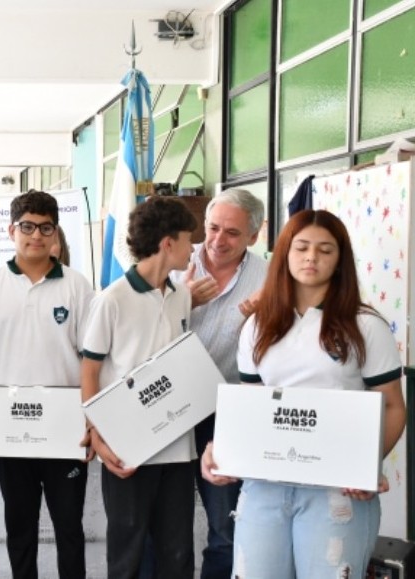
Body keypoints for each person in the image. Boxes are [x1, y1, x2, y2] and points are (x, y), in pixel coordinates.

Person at [201, 209, 406, 578]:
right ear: (283, 254)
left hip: (335, 492)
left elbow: (392, 405)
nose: (312, 257)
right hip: (264, 488)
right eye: (302, 247)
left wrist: (364, 464)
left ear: (340, 260)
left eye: (326, 250)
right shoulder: (258, 326)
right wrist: (222, 451)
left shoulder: (365, 325)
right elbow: (253, 407)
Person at [0, 190, 93, 579]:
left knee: (69, 527)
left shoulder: (78, 287)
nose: (36, 235)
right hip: (8, 429)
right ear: (11, 230)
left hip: (65, 430)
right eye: (28, 227)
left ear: (55, 233)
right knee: (19, 527)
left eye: (45, 227)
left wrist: (91, 419)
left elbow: (91, 363)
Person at [81, 196, 198, 579]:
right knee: (127, 552)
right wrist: (96, 434)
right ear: (168, 242)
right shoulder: (111, 299)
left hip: (178, 446)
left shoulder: (181, 295)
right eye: (188, 239)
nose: (192, 248)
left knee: (178, 553)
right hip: (126, 448)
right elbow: (90, 371)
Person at [168, 188, 268, 579]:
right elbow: (132, 335)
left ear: (254, 237)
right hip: (168, 409)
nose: (217, 240)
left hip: (227, 413)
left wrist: (269, 316)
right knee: (163, 527)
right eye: (212, 228)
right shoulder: (173, 263)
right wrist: (180, 302)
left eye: (232, 233)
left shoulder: (269, 278)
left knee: (226, 527)